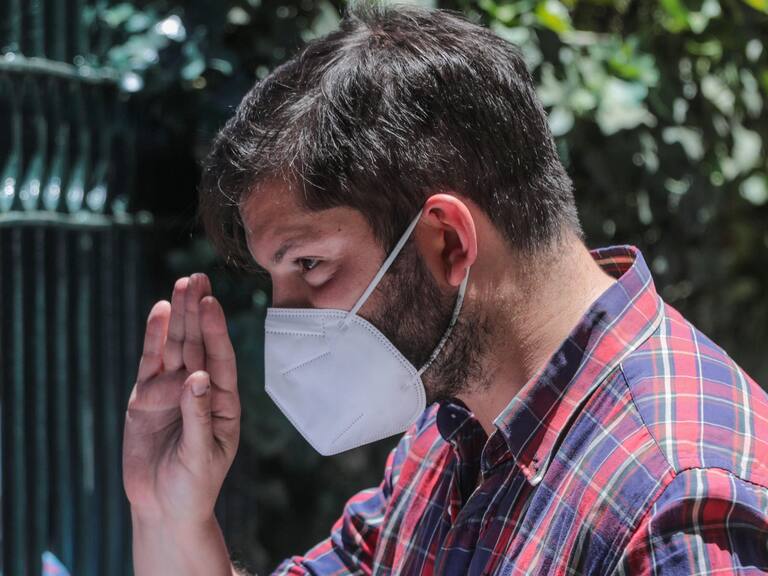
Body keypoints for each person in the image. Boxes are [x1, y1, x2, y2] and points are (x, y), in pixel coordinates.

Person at [122, 1, 768, 574]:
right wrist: (168, 515)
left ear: (448, 241)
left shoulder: (676, 504)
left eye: (310, 266)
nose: (287, 316)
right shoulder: (453, 430)